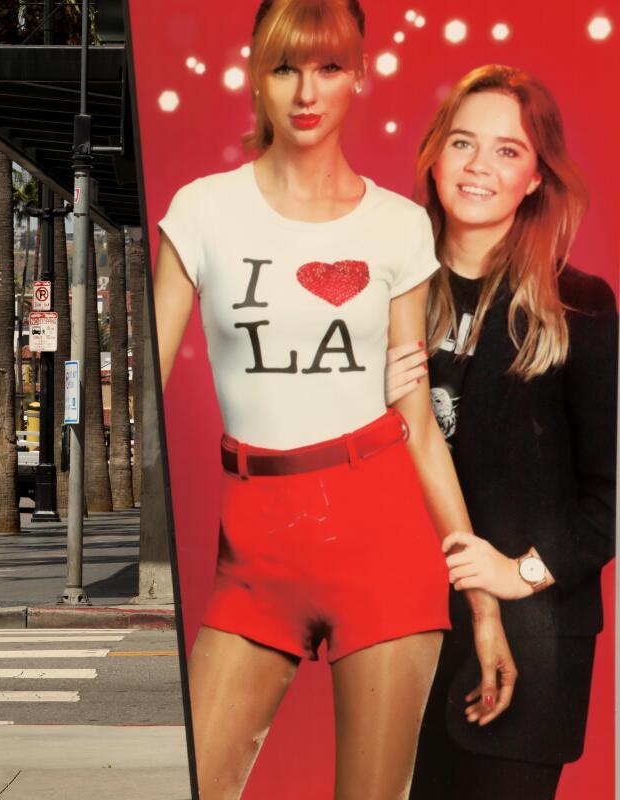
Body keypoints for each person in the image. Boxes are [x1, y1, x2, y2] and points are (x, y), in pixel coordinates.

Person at [152, 2, 517, 797]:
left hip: (380, 543)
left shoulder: (394, 228)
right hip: (250, 553)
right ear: (257, 72)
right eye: (285, 67)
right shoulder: (203, 211)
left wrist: (483, 603)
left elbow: (418, 425)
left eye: (327, 67)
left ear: (359, 74)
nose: (305, 91)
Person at [382, 66, 616, 800]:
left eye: (508, 151)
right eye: (463, 142)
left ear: (538, 177)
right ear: (433, 155)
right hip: (398, 631)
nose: (480, 166)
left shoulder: (577, 305)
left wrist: (521, 573)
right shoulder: (383, 301)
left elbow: (612, 495)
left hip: (531, 641)